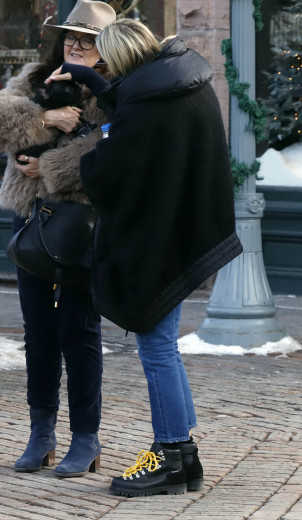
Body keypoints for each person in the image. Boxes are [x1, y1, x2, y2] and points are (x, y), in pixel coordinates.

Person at [48, 18, 242, 496]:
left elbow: (106, 173)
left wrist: (100, 140)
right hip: (184, 232)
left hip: (159, 243)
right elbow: (135, 108)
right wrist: (92, 82)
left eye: (108, 64)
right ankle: (186, 457)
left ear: (125, 60)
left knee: (155, 347)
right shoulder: (181, 80)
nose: (106, 71)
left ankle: (171, 454)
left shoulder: (146, 107)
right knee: (165, 347)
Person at [0, 0, 116, 478]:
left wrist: (47, 166)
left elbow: (109, 155)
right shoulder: (34, 77)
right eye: (70, 37)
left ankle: (85, 438)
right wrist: (45, 120)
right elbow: (4, 114)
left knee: (78, 331)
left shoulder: (111, 93)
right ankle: (40, 432)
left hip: (79, 226)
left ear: (104, 50)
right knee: (37, 331)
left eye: (86, 40)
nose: (74, 45)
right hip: (30, 220)